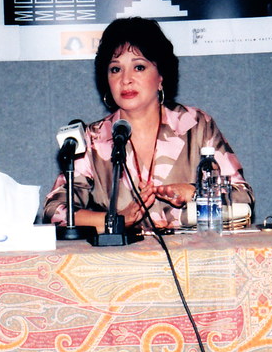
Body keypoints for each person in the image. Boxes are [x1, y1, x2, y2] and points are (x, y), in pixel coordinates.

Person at [44, 17, 253, 232]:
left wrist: (194, 192)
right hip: (118, 261)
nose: (126, 79)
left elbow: (242, 196)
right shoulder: (93, 139)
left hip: (192, 257)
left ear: (161, 75)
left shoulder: (196, 125)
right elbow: (55, 210)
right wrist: (113, 220)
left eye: (139, 67)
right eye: (115, 69)